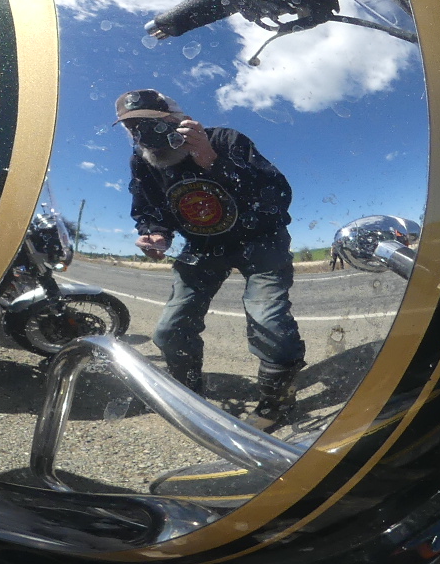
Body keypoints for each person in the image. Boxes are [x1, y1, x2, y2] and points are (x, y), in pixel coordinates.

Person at [118, 89, 305, 421]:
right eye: (133, 128)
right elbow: (149, 208)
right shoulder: (142, 162)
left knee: (268, 320)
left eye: (153, 124)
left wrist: (211, 160)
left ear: (178, 119)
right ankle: (187, 392)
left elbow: (277, 194)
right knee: (170, 329)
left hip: (261, 239)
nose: (144, 136)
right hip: (203, 246)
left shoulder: (224, 140)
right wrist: (156, 233)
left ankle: (278, 402)